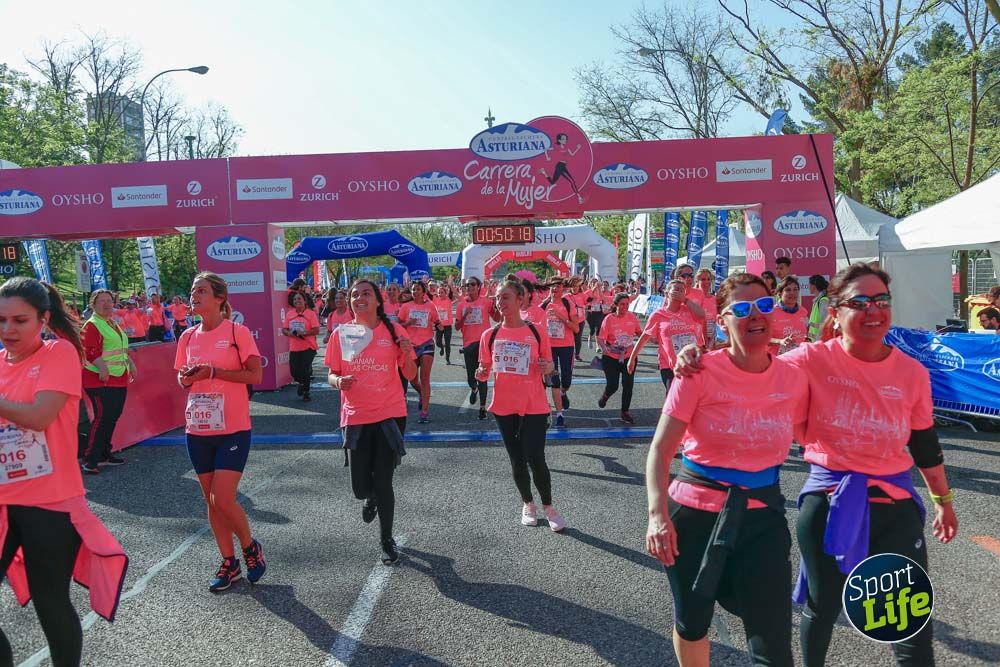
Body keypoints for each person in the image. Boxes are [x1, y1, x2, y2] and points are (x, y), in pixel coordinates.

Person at [675, 264, 960, 666]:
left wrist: (942, 499)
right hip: (829, 502)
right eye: (859, 302)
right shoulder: (807, 360)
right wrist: (697, 356)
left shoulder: (912, 373)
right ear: (834, 313)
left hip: (895, 507)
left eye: (881, 301)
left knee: (908, 622)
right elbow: (752, 361)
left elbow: (925, 444)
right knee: (822, 608)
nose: (873, 310)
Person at [646, 273, 806, 667]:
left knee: (772, 640)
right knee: (692, 622)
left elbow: (818, 432)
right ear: (722, 320)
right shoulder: (698, 372)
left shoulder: (794, 376)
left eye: (765, 306)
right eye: (743, 309)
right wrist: (657, 517)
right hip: (694, 516)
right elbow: (662, 450)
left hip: (763, 518)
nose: (757, 315)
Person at [0, 278, 129, 667]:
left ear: (43, 318)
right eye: (1, 320)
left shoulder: (58, 354)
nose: (8, 330)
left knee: (50, 601)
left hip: (50, 503)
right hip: (3, 501)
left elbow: (40, 416)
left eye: (20, 320)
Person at [175, 272, 266, 592]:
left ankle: (250, 548)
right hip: (197, 429)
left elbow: (255, 373)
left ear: (219, 298)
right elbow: (181, 380)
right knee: (211, 503)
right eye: (192, 290)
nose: (194, 295)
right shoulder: (187, 337)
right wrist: (188, 378)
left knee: (223, 498)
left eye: (201, 290)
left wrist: (214, 372)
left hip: (233, 428)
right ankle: (229, 563)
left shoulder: (236, 332)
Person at [326, 280, 417, 565]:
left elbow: (411, 372)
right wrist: (339, 381)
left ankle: (386, 539)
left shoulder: (393, 331)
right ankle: (371, 497)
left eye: (366, 293)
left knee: (384, 480)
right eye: (354, 294)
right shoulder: (341, 334)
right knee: (361, 487)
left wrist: (405, 350)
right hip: (355, 416)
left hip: (390, 414)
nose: (359, 297)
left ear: (378, 300)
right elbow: (331, 374)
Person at [475, 276, 565, 531]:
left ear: (520, 299)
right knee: (517, 460)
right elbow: (484, 370)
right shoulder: (489, 335)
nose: (499, 302)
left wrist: (548, 367)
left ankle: (548, 506)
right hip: (503, 405)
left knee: (536, 458)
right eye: (497, 297)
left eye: (505, 297)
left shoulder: (536, 331)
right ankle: (528, 504)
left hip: (534, 404)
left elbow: (549, 366)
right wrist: (480, 374)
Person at [80, 289, 135, 474]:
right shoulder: (92, 325)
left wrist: (130, 364)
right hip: (100, 380)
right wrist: (102, 368)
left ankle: (104, 453)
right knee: (103, 418)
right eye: (101, 301)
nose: (106, 304)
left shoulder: (112, 323)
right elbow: (89, 351)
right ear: (93, 304)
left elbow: (121, 348)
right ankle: (90, 459)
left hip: (118, 377)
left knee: (111, 417)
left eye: (109, 301)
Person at [627, 279, 705, 391]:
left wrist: (686, 300)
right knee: (673, 396)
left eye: (682, 291)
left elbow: (702, 316)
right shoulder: (658, 315)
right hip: (669, 366)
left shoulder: (689, 310)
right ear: (667, 293)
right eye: (676, 289)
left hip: (691, 363)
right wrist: (632, 358)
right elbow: (645, 337)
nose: (679, 292)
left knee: (692, 399)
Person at [398, 281, 441, 424]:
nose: (415, 291)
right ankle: (422, 394)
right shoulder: (406, 307)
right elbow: (398, 326)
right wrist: (408, 324)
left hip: (427, 343)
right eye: (413, 289)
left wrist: (440, 325)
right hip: (411, 346)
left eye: (418, 289)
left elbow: (437, 321)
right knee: (411, 377)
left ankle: (424, 412)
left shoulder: (430, 306)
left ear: (423, 292)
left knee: (425, 378)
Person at [455, 276, 498, 421]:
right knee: (471, 378)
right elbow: (456, 327)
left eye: (472, 284)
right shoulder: (461, 305)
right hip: (468, 345)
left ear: (478, 286)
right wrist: (464, 316)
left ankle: (482, 408)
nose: (469, 287)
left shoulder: (486, 302)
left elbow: (497, 318)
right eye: (467, 285)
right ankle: (473, 389)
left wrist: (497, 306)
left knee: (483, 376)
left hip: (483, 344)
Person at [596, 293, 643, 424]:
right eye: (622, 304)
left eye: (627, 304)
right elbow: (600, 338)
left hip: (628, 356)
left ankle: (625, 411)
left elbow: (639, 332)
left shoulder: (632, 317)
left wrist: (649, 336)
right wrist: (604, 348)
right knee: (613, 385)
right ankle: (606, 395)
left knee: (628, 384)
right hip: (611, 356)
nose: (625, 307)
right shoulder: (609, 319)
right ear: (616, 305)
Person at [542, 278, 581, 428]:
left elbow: (576, 329)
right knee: (554, 380)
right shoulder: (544, 305)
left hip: (566, 346)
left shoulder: (567, 304)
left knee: (566, 380)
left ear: (562, 289)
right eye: (552, 287)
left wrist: (561, 318)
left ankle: (564, 392)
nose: (555, 289)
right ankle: (559, 415)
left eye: (558, 286)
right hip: (549, 347)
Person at [282, 292, 321, 402]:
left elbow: (316, 330)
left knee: (304, 370)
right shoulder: (289, 314)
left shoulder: (311, 314)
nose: (297, 301)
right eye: (295, 300)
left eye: (299, 299)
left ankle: (306, 392)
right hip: (294, 347)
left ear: (304, 301)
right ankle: (302, 383)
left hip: (309, 346)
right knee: (294, 372)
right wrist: (289, 333)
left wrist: (304, 332)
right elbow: (284, 329)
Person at [770, 276, 810, 355]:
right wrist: (780, 341)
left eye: (795, 289)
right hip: (778, 360)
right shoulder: (771, 313)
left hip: (798, 359)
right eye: (788, 290)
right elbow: (762, 339)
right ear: (780, 293)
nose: (792, 293)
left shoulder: (803, 311)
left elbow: (804, 334)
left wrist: (807, 341)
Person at [432, 282, 455, 364]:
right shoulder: (435, 300)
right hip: (439, 325)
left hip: (447, 325)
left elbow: (451, 292)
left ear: (446, 293)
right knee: (437, 342)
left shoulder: (448, 299)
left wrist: (449, 284)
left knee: (448, 343)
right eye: (439, 292)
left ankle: (447, 358)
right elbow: (428, 295)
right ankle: (441, 347)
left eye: (442, 292)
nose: (440, 294)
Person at [694, 269, 718, 348]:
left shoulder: (715, 299)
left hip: (712, 339)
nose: (707, 282)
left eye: (709, 279)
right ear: (697, 281)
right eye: (703, 279)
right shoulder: (693, 299)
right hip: (696, 339)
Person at [807, 275, 830, 342]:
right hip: (814, 343)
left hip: (819, 344)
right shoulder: (818, 301)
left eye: (809, 285)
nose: (808, 287)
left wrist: (818, 342)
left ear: (813, 286)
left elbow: (824, 325)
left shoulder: (823, 301)